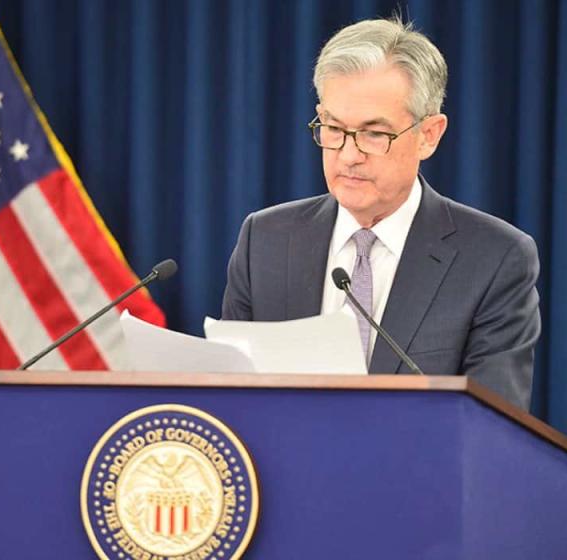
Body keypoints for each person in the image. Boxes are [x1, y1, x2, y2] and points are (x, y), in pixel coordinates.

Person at [221, 17, 540, 410]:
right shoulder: (264, 241)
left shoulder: (494, 259)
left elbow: (492, 430)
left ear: (429, 135)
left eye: (374, 134)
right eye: (334, 128)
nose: (349, 155)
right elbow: (231, 400)